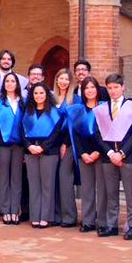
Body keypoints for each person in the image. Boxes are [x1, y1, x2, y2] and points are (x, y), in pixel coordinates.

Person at [93, 74, 132, 239]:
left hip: (128, 157)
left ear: (123, 87)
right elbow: (97, 134)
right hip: (108, 157)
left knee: (131, 194)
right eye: (109, 88)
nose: (113, 91)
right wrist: (110, 153)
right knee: (111, 193)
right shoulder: (102, 109)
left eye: (116, 87)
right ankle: (111, 225)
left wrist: (122, 153)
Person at [21, 82, 67, 229]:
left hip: (49, 151)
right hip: (31, 151)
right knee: (34, 185)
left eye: (41, 93)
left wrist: (42, 147)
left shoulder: (55, 112)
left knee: (47, 185)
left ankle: (46, 217)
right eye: (35, 93)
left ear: (47, 95)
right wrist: (29, 146)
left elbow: (57, 133)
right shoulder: (27, 112)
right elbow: (22, 132)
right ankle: (35, 216)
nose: (38, 96)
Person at [0, 72, 24, 224]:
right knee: (3, 178)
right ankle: (5, 211)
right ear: (4, 84)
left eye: (13, 81)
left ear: (17, 84)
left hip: (19, 145)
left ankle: (15, 210)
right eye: (7, 81)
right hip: (3, 145)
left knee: (16, 179)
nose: (10, 83)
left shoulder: (24, 102)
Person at [71, 76, 104, 233]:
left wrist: (98, 151)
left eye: (92, 87)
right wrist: (83, 153)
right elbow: (75, 134)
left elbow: (108, 133)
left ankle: (103, 221)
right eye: (86, 88)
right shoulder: (78, 110)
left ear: (97, 89)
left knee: (102, 189)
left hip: (102, 154)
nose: (90, 91)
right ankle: (88, 220)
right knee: (87, 189)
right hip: (84, 154)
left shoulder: (105, 108)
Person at [52, 68, 78, 227]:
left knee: (64, 178)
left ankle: (69, 216)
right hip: (50, 143)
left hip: (67, 143)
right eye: (60, 78)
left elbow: (75, 124)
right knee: (52, 179)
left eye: (66, 79)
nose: (63, 82)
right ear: (56, 80)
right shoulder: (50, 97)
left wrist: (65, 144)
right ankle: (56, 214)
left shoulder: (75, 100)